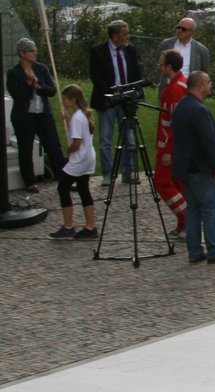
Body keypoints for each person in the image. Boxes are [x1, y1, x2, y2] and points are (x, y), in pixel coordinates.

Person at [170, 71, 215, 264]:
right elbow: (208, 139)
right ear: (199, 86)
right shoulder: (199, 110)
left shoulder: (181, 107)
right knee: (210, 209)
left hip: (186, 167)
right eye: (208, 82)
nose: (211, 85)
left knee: (193, 210)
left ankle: (194, 251)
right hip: (201, 168)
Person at [88, 19, 143, 189]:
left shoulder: (130, 50)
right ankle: (107, 173)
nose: (127, 37)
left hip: (127, 100)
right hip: (107, 100)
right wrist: (113, 91)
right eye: (124, 34)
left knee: (129, 137)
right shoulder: (98, 51)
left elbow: (136, 72)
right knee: (106, 138)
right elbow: (96, 77)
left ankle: (129, 171)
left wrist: (133, 91)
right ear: (115, 35)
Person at [7, 37, 66, 194]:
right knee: (25, 149)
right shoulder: (13, 73)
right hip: (24, 116)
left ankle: (64, 178)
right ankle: (30, 182)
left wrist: (37, 85)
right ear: (22, 53)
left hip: (43, 114)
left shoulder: (41, 69)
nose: (35, 53)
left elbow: (51, 90)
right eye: (31, 51)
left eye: (35, 50)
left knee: (53, 146)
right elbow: (17, 96)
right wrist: (28, 85)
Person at [48, 84, 97, 240]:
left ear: (73, 100)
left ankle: (68, 226)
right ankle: (91, 226)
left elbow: (76, 142)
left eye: (65, 100)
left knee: (63, 187)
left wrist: (67, 152)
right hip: (89, 156)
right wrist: (67, 119)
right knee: (83, 189)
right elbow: (77, 130)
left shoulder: (77, 117)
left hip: (80, 158)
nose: (63, 103)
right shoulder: (82, 115)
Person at [151, 50, 191, 239]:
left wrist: (166, 150)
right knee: (178, 184)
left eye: (161, 63)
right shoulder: (180, 85)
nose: (159, 66)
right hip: (178, 145)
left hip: (172, 146)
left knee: (162, 182)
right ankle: (184, 224)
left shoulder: (175, 90)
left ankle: (189, 217)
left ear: (169, 66)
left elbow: (174, 123)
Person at [154, 17, 210, 92]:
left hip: (189, 89)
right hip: (167, 86)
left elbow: (204, 72)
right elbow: (159, 64)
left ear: (192, 32)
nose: (180, 31)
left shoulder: (201, 50)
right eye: (178, 27)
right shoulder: (165, 45)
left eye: (184, 29)